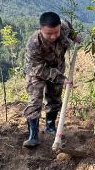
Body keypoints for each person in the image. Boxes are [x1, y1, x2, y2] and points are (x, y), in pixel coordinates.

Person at [22, 12, 82, 148]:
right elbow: (39, 69)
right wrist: (62, 78)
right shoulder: (33, 45)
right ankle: (33, 135)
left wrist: (75, 37)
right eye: (49, 33)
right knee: (34, 100)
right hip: (37, 72)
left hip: (57, 66)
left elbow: (70, 30)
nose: (54, 36)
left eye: (56, 32)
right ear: (40, 30)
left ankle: (50, 126)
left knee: (55, 97)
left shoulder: (64, 26)